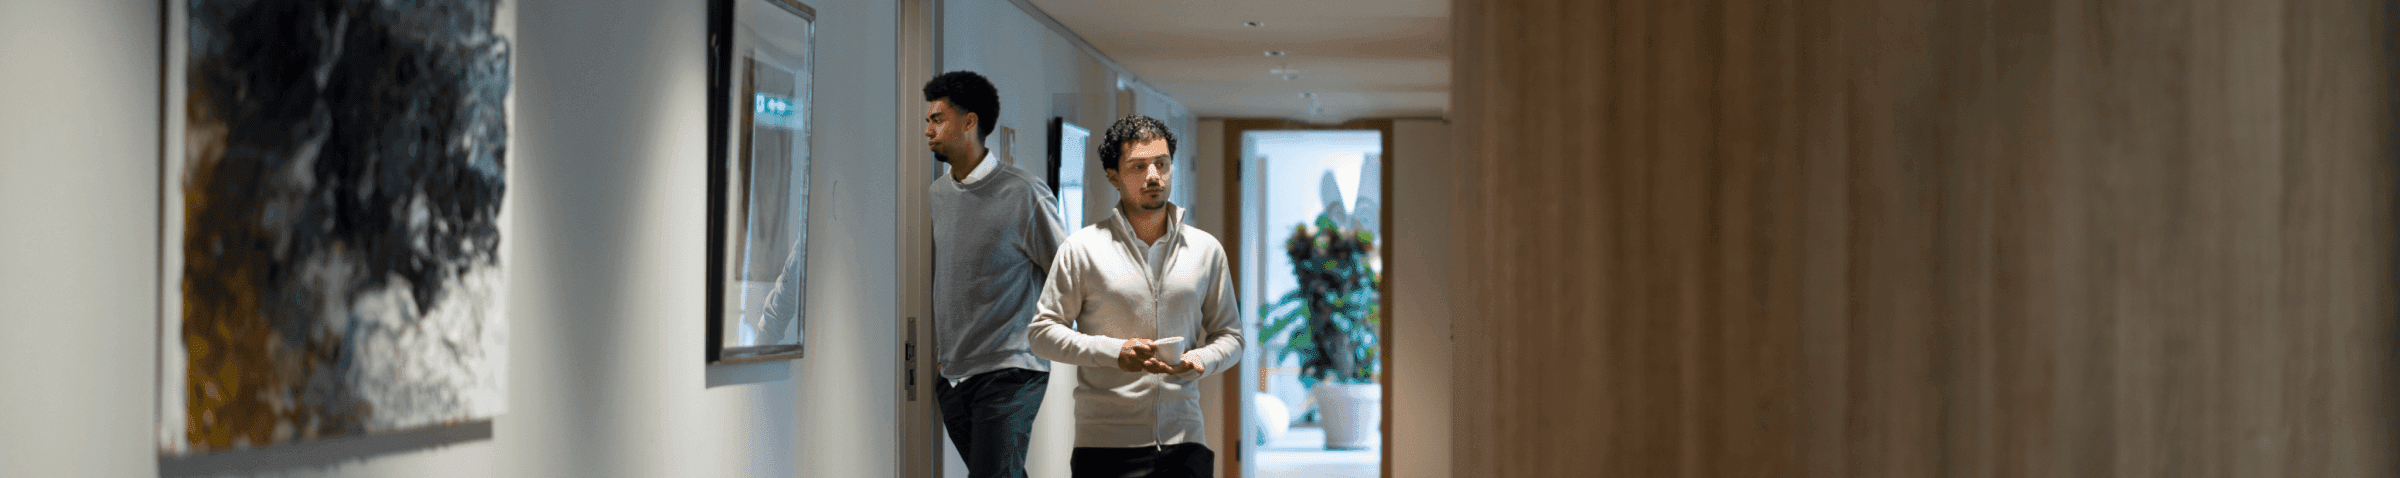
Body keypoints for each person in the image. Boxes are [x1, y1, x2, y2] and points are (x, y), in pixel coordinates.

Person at [1029, 115, 1243, 478]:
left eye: (1162, 163)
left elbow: (1232, 336)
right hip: (1105, 447)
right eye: (1138, 166)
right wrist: (1114, 351)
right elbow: (1042, 333)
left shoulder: (1205, 250)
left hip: (1185, 443)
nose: (1153, 176)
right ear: (1113, 176)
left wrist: (1200, 359)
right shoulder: (1082, 249)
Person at [924, 70, 1067, 478]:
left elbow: (1068, 272)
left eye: (938, 119)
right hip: (954, 375)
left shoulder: (1023, 192)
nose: (929, 130)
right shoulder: (938, 194)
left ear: (969, 122)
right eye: (928, 120)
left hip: (1011, 370)